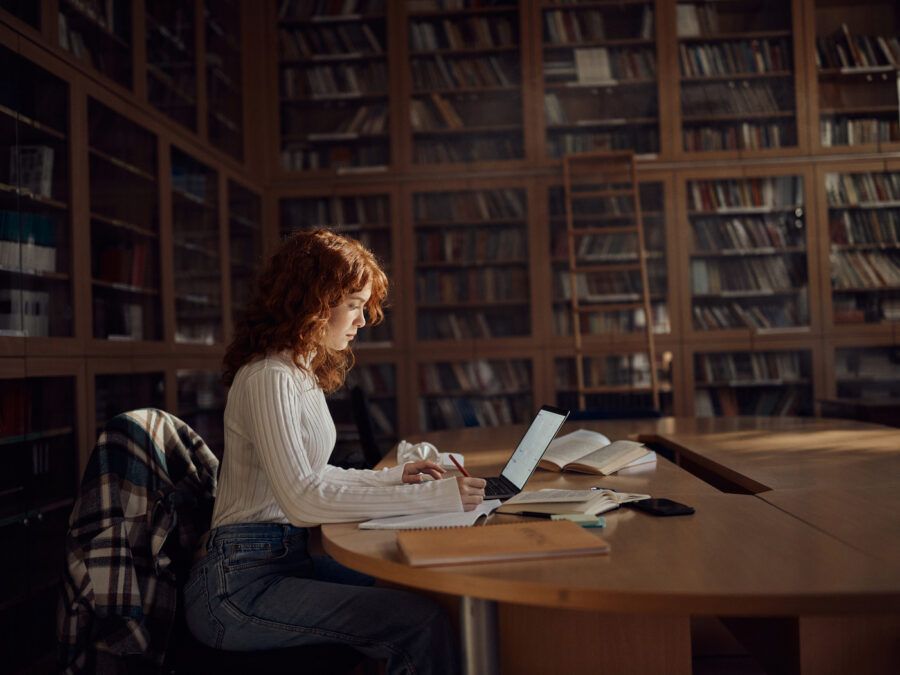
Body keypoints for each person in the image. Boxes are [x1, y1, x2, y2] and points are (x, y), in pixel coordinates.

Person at [183, 229, 485, 675]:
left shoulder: (298, 373)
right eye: (354, 305)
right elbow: (303, 499)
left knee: (427, 594)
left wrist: (395, 478)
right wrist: (434, 498)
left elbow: (316, 474)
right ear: (315, 302)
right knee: (418, 623)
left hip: (279, 562)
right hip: (236, 589)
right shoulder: (269, 376)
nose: (363, 321)